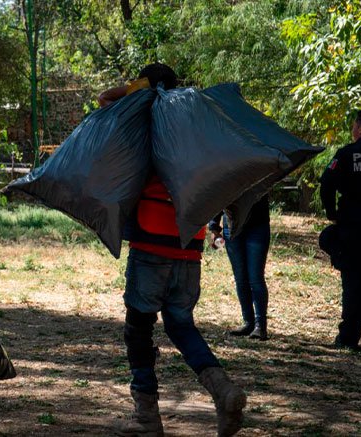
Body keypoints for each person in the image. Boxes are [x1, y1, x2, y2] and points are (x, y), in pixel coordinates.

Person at [116, 63, 246, 437]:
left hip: (150, 244)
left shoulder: (144, 119)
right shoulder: (196, 127)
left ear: (146, 85)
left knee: (138, 329)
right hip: (188, 247)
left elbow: (105, 101)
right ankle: (223, 391)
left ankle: (146, 418)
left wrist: (138, 89)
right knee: (180, 324)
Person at [319, 108, 361, 351]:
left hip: (353, 229)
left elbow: (326, 183)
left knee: (354, 285)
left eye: (354, 125)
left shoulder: (347, 154)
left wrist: (332, 213)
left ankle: (348, 338)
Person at [209, 195, 271, 340]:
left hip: (257, 225)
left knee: (255, 277)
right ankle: (248, 322)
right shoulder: (225, 172)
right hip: (232, 225)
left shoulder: (259, 172)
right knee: (240, 278)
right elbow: (220, 193)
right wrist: (214, 227)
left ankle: (260, 326)